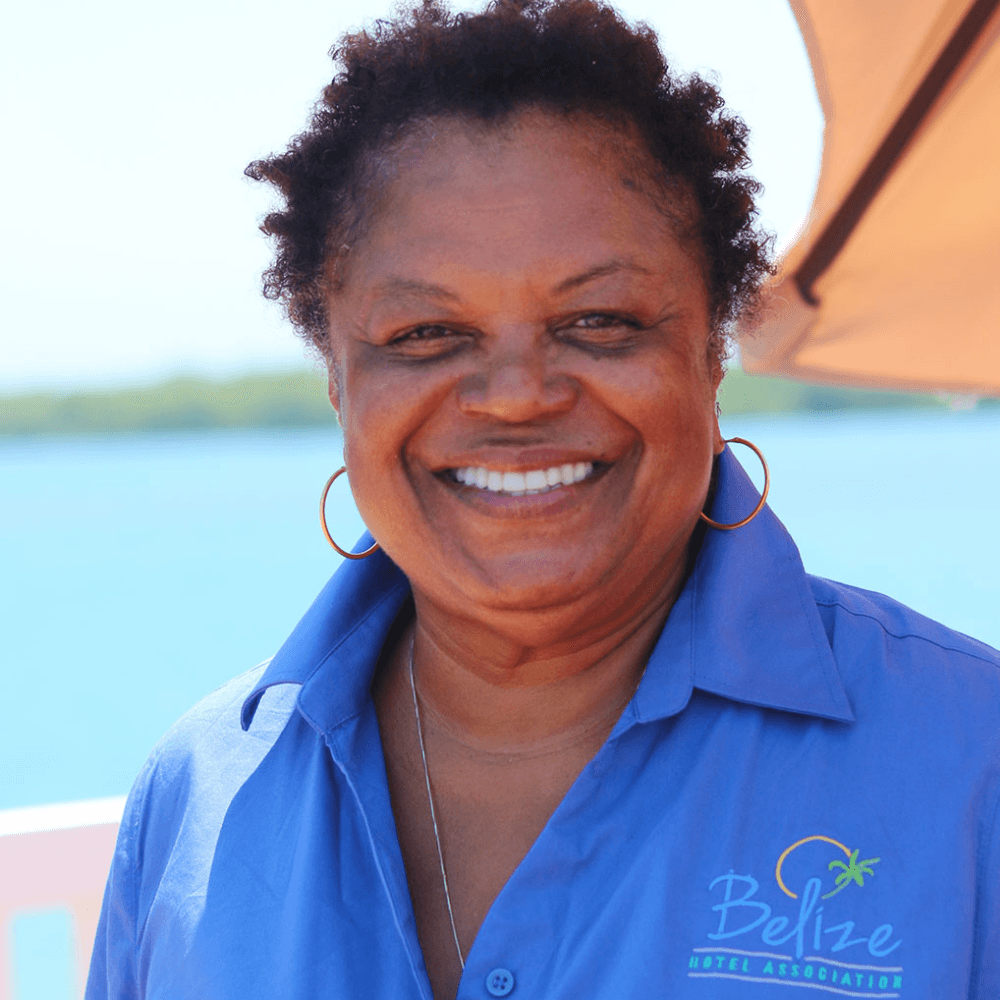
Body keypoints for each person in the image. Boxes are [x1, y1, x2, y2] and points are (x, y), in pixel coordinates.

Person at [86, 0, 1000, 997]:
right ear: (338, 380)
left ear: (708, 353)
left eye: (599, 320)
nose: (518, 394)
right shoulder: (195, 797)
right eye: (426, 335)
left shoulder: (968, 762)